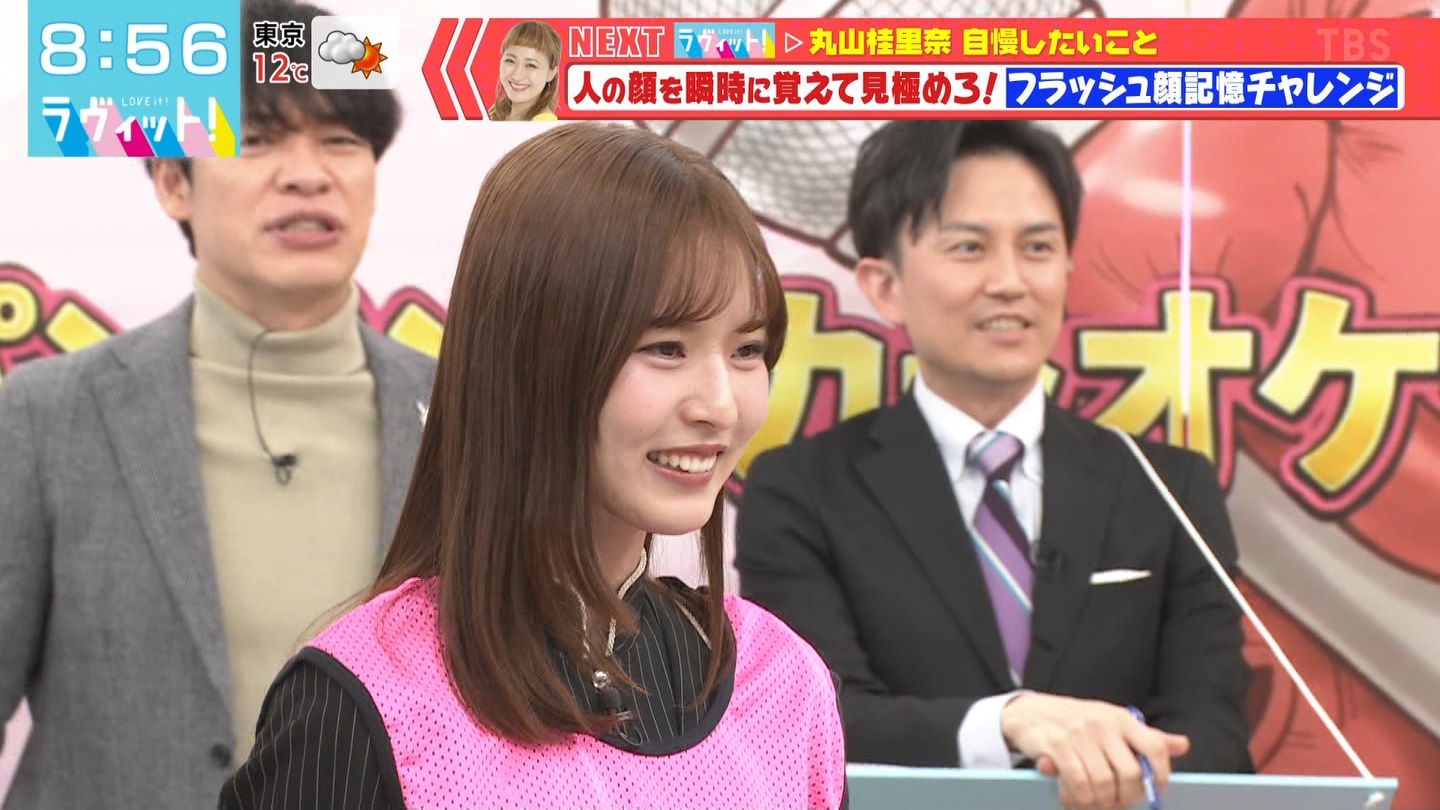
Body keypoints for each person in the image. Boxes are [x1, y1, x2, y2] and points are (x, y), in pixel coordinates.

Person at [219, 122, 846, 809]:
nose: (720, 406)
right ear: (530, 354)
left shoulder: (782, 682)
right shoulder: (370, 698)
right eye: (666, 348)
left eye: (747, 350)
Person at [734, 120, 1254, 810]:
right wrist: (1006, 723)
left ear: (1067, 269)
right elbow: (812, 722)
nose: (1010, 282)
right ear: (884, 285)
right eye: (969, 247)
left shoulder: (1167, 486)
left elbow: (1216, 736)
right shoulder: (800, 490)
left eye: (1037, 247)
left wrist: (1116, 758)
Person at [0, 0, 435, 807]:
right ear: (174, 182)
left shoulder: (458, 415)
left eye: (341, 140)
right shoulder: (45, 416)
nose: (307, 173)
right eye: (258, 138)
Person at [487, 20, 562, 122]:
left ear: (551, 73)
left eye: (531, 65)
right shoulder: (496, 112)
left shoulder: (544, 124)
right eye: (510, 61)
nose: (517, 76)